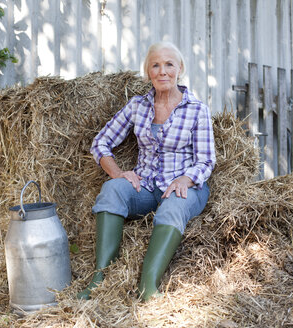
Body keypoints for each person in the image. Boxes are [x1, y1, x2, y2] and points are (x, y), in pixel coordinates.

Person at [77, 41, 216, 301]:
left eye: (169, 64)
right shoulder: (137, 106)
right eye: (155, 65)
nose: (162, 71)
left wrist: (185, 179)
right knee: (112, 190)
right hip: (146, 186)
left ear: (180, 69)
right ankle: (100, 277)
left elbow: (206, 161)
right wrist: (119, 174)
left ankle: (148, 286)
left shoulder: (197, 110)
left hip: (184, 186)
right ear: (148, 72)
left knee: (174, 206)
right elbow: (101, 143)